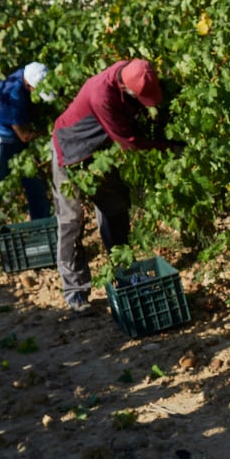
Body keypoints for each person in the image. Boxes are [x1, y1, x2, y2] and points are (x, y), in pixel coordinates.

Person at [49, 57, 180, 311]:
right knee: (70, 221)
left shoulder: (133, 70)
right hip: (71, 153)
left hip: (100, 155)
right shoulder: (102, 96)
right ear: (126, 89)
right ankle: (75, 292)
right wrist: (168, 148)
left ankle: (124, 275)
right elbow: (129, 142)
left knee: (116, 210)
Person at [0, 60, 53, 268]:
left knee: (37, 188)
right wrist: (51, 132)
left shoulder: (31, 74)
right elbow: (26, 135)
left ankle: (41, 240)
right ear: (29, 86)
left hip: (17, 141)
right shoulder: (11, 96)